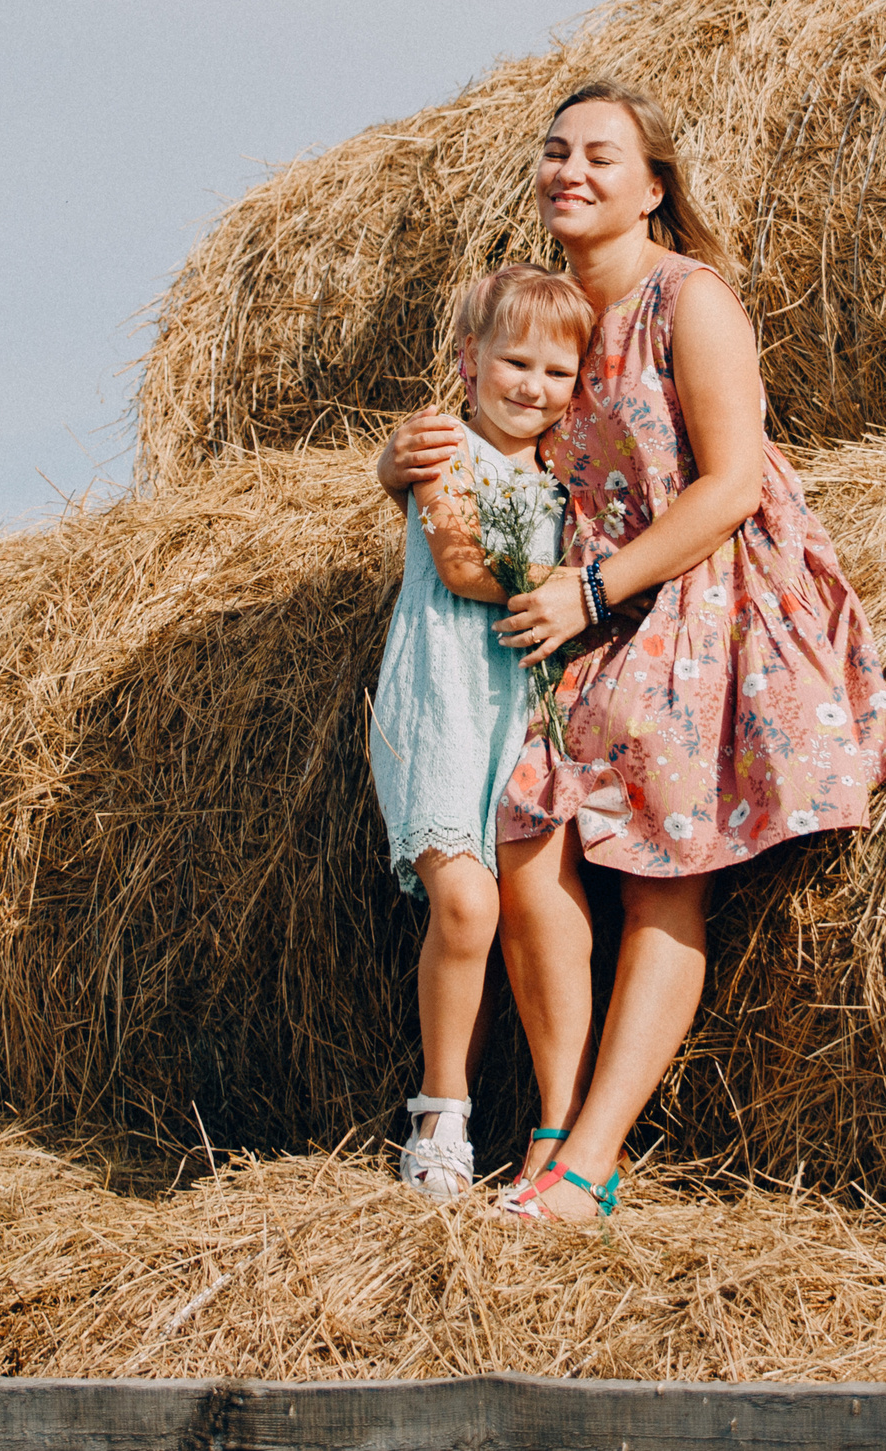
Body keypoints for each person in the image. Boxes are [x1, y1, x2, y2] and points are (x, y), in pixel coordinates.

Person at [377, 80, 886, 1221]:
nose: (570, 170)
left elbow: (733, 482)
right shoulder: (553, 320)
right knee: (525, 830)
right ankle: (553, 1125)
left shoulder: (687, 299)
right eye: (556, 152)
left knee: (666, 871)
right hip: (591, 599)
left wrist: (596, 587)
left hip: (704, 587)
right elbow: (481, 454)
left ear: (652, 188)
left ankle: (594, 1161)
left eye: (600, 157)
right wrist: (403, 464)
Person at [369, 264, 590, 1197]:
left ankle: (556, 1124)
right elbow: (462, 563)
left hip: (525, 716)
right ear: (469, 361)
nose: (532, 387)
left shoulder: (567, 475)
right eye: (514, 362)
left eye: (557, 372)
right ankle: (440, 1113)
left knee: (526, 913)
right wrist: (598, 594)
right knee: (466, 906)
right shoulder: (441, 448)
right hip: (445, 704)